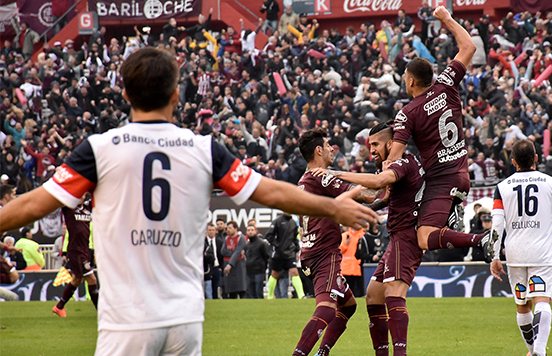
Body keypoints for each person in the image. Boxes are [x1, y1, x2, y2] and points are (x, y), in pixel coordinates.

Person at [0, 48, 377, 355]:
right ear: (177, 94)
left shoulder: (99, 149)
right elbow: (273, 192)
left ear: (126, 94)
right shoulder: (203, 149)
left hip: (126, 321)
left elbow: (35, 204)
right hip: (184, 321)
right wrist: (333, 206)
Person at [388, 6, 496, 262]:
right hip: (460, 172)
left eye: (405, 76)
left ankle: (480, 239)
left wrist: (381, 175)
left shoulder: (408, 113)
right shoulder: (446, 82)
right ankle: (450, 211)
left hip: (441, 179)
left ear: (411, 81)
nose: (404, 80)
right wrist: (447, 18)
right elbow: (469, 47)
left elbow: (394, 158)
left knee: (424, 237)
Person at [311, 122, 425, 356]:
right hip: (397, 237)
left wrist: (334, 173)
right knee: (373, 294)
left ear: (391, 143)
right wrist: (355, 207)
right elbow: (380, 195)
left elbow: (378, 184)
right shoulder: (392, 165)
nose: (371, 149)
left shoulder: (403, 162)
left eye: (375, 144)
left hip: (406, 235)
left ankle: (399, 354)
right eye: (369, 144)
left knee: (393, 295)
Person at [490, 139, 552, 356]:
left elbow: (497, 224)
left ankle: (533, 350)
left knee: (522, 305)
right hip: (541, 252)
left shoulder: (501, 187)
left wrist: (494, 255)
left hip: (514, 253)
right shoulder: (551, 183)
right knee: (542, 299)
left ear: (513, 162)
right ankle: (540, 352)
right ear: (536, 158)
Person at [294, 128, 383, 356]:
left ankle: (322, 353)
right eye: (327, 144)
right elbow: (363, 195)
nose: (333, 148)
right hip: (325, 254)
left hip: (310, 252)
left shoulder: (304, 179)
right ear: (318, 150)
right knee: (325, 310)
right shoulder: (320, 175)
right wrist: (390, 181)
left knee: (349, 305)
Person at [53, 193, 99, 317]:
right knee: (91, 279)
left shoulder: (87, 208)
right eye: (79, 194)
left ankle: (59, 307)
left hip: (85, 249)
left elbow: (97, 194)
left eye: (83, 194)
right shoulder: (68, 208)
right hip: (76, 250)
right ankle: (100, 311)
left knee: (77, 279)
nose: (81, 196)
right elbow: (60, 197)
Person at [265, 212, 304, 299]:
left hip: (289, 253)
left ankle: (301, 296)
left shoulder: (293, 223)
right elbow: (269, 235)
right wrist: (278, 245)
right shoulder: (277, 221)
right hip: (278, 254)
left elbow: (295, 238)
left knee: (295, 272)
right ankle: (270, 296)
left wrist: (297, 250)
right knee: (274, 274)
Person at [221, 221, 248, 299]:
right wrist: (233, 252)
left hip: (238, 265)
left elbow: (238, 251)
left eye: (230, 228)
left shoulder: (240, 238)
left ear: (235, 228)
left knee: (241, 288)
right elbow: (223, 251)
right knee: (231, 290)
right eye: (227, 228)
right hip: (228, 265)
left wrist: (230, 264)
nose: (228, 230)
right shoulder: (226, 238)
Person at [244, 224, 270, 299]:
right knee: (251, 292)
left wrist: (263, 267)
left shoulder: (261, 243)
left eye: (252, 230)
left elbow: (266, 256)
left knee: (258, 291)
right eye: (248, 230)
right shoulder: (247, 245)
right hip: (249, 271)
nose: (250, 232)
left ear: (256, 231)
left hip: (259, 270)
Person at [203, 223, 223, 299]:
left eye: (213, 230)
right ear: (207, 231)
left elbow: (222, 255)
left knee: (216, 287)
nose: (211, 232)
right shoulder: (203, 242)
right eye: (209, 230)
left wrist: (221, 267)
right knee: (208, 289)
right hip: (207, 268)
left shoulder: (219, 241)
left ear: (216, 231)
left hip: (217, 267)